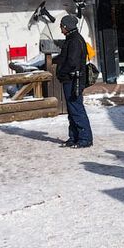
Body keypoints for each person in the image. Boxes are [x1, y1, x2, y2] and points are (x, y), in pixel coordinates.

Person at [52, 14, 93, 149]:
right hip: (70, 79)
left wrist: (62, 72)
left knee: (76, 108)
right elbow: (65, 58)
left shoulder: (74, 40)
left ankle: (85, 138)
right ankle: (74, 137)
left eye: (61, 26)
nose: (60, 29)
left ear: (66, 26)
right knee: (72, 109)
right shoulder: (72, 39)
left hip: (73, 79)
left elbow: (72, 62)